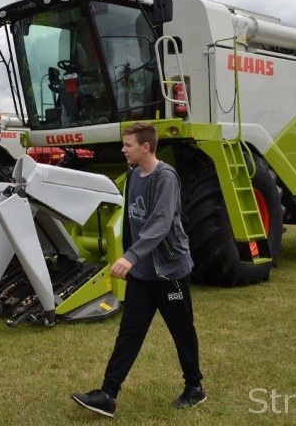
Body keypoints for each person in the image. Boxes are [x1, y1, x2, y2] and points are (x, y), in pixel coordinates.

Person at [71, 122, 205, 418]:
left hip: (169, 272)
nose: (123, 149)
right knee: (129, 333)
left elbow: (160, 222)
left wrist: (130, 256)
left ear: (146, 147)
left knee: (181, 331)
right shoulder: (133, 175)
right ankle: (108, 394)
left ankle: (195, 388)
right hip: (142, 274)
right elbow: (132, 221)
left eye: (128, 145)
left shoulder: (165, 177)